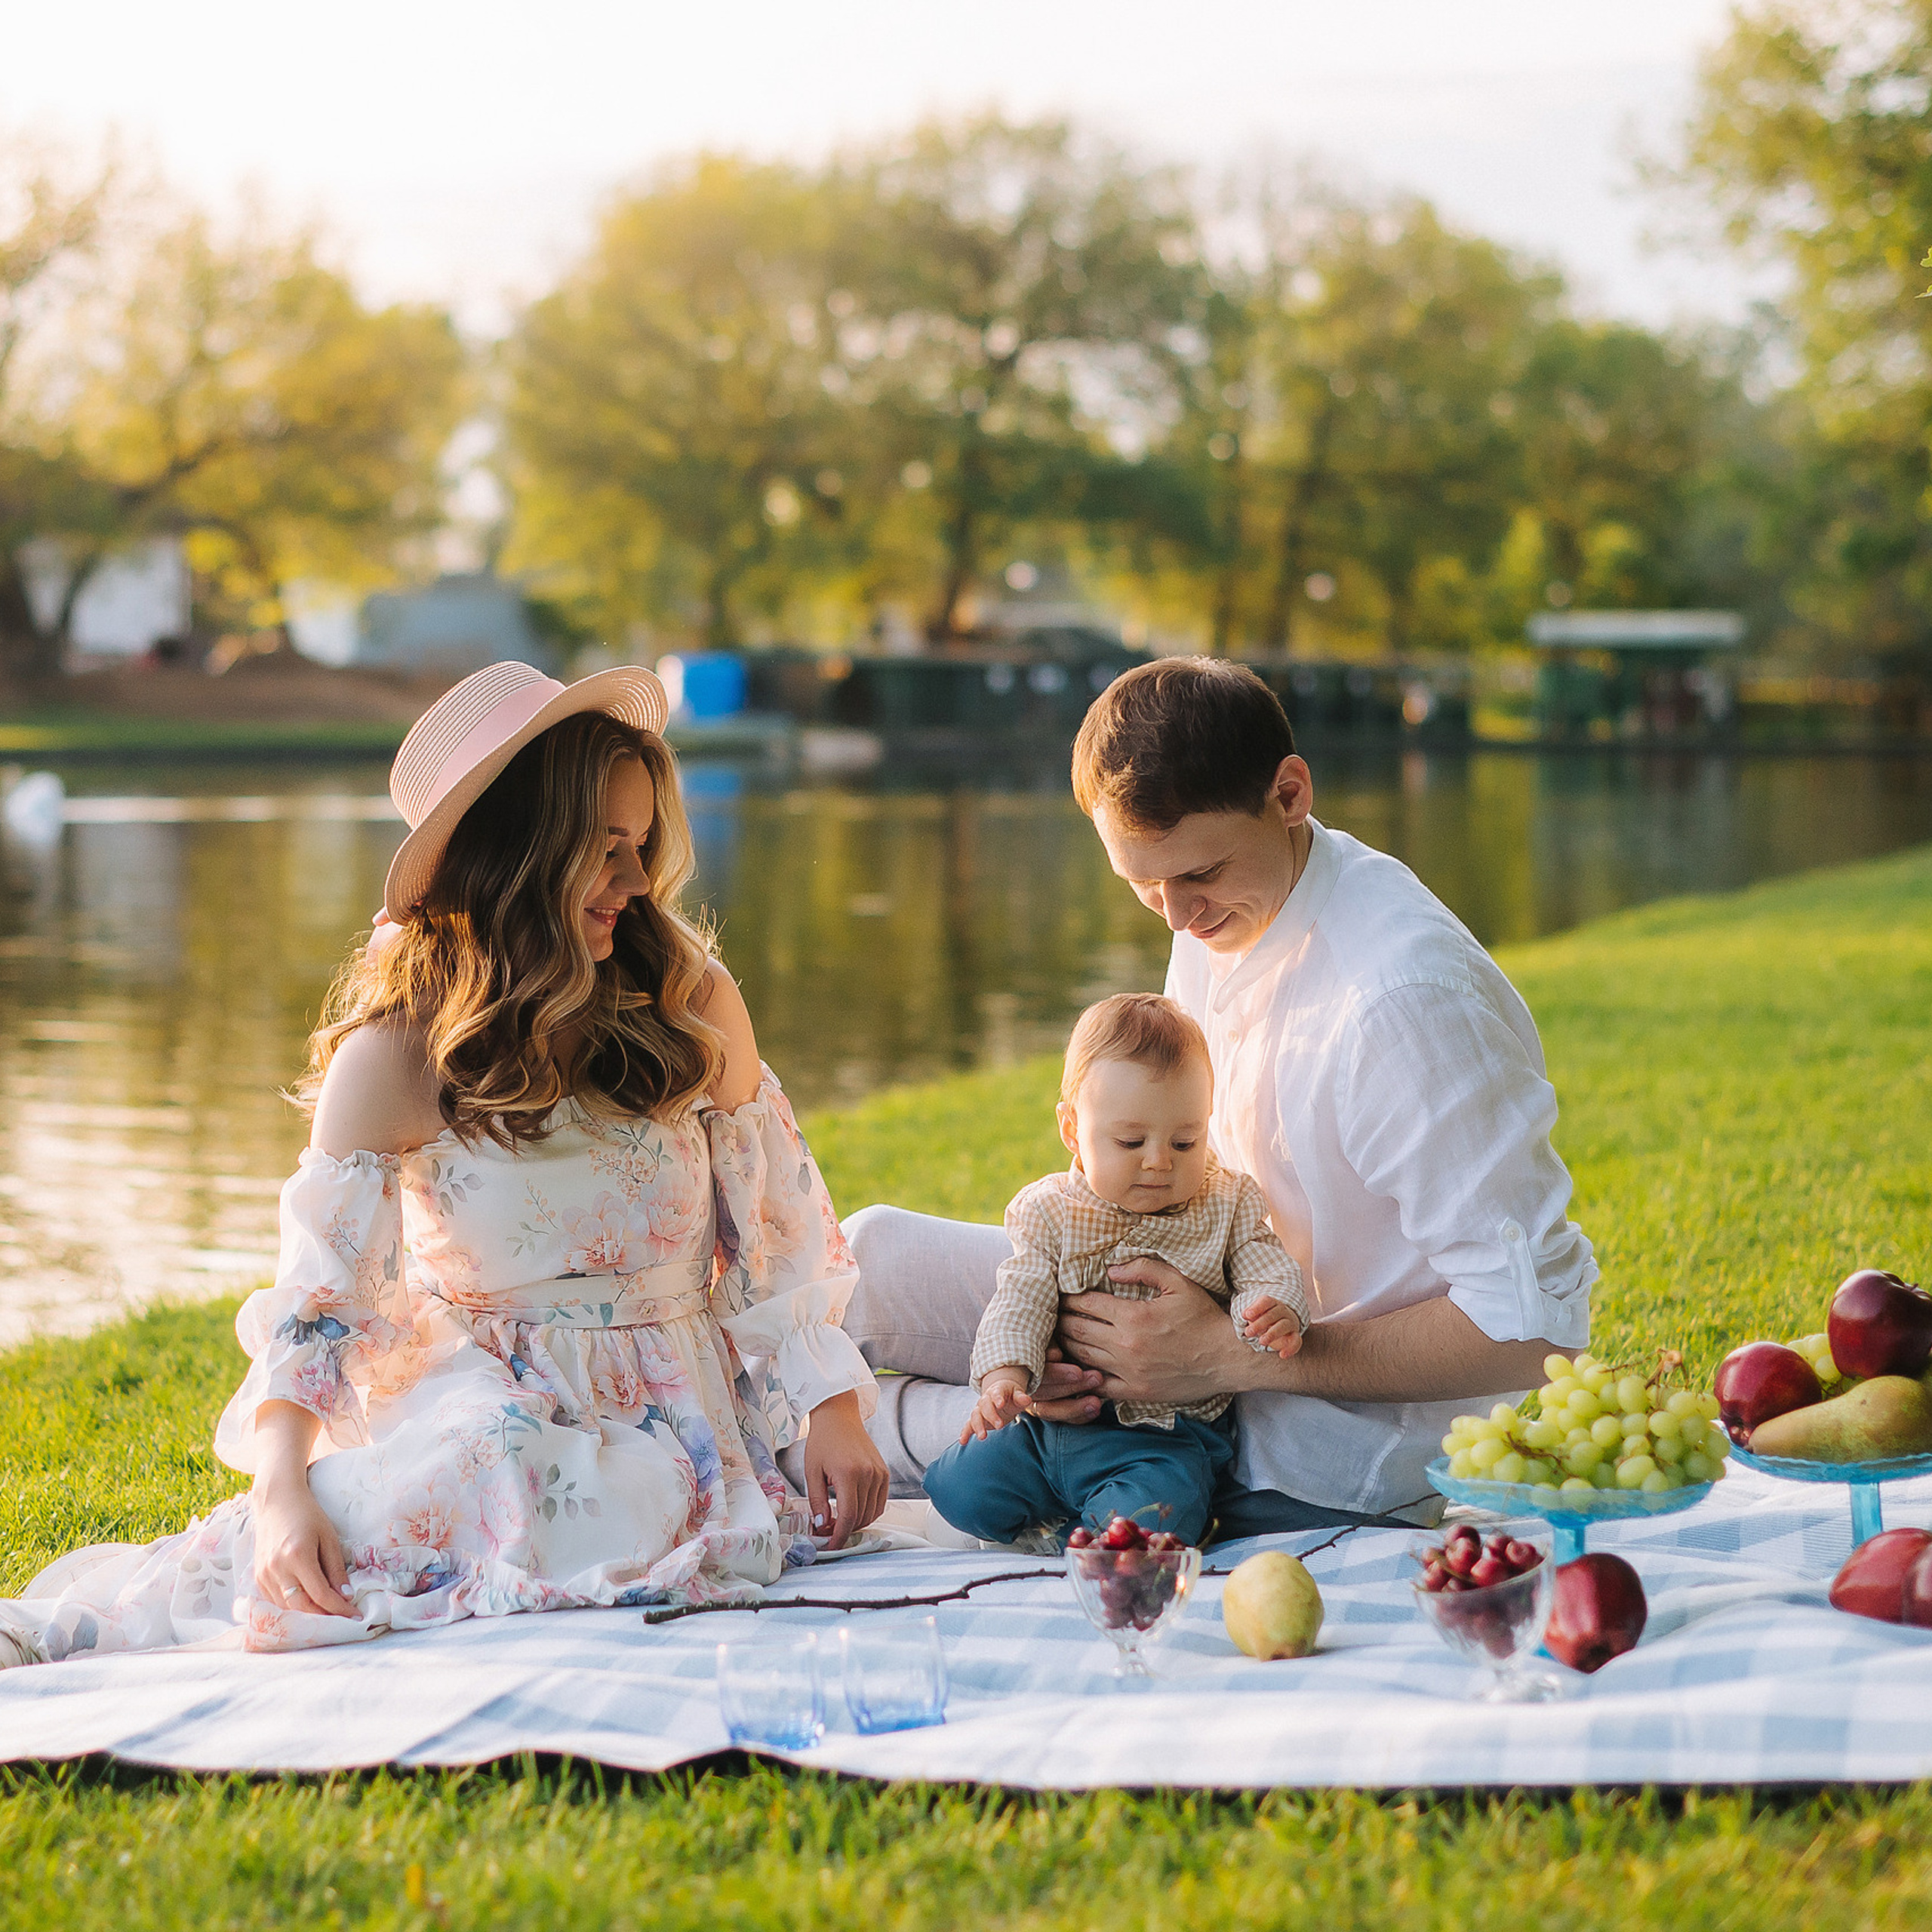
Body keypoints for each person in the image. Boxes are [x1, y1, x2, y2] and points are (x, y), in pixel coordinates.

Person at [0, 660, 887, 1669]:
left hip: (679, 1421)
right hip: (486, 1413)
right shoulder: (396, 1055)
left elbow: (777, 1230)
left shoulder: (688, 1001)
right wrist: (282, 1488)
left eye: (640, 846)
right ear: (520, 849)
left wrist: (831, 1406)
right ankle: (100, 1624)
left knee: (614, 1493)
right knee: (483, 1471)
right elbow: (320, 1303)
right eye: (605, 849)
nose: (637, 882)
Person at [841, 657, 1595, 1532]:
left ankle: (797, 1448)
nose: (1175, 916)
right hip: (1187, 1287)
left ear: (1289, 794)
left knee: (865, 1434)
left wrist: (1223, 1357)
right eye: (1142, 883)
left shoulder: (1401, 1005)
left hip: (1300, 1433)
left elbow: (1535, 1328)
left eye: (1196, 873)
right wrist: (1059, 1322)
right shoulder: (1224, 902)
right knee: (866, 1255)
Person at [921, 993, 1306, 1549]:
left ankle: (1080, 1538)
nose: (1159, 1160)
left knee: (1153, 1522)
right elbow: (1020, 1300)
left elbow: (1265, 1263)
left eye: (1185, 1141)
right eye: (1130, 1141)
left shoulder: (1226, 1204)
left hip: (1164, 1440)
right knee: (960, 1486)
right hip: (1049, 1430)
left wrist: (1272, 1308)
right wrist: (1005, 1378)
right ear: (1072, 1130)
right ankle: (1054, 1523)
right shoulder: (1051, 1211)